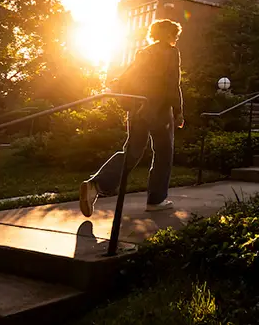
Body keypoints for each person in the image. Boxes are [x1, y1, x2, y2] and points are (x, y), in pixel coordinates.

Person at [79, 19, 185, 216]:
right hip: (159, 109)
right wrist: (178, 111)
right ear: (169, 34)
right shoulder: (170, 52)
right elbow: (172, 83)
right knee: (163, 153)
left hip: (137, 106)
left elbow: (126, 77)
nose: (175, 39)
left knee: (132, 151)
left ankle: (96, 184)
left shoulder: (143, 52)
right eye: (174, 35)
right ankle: (156, 199)